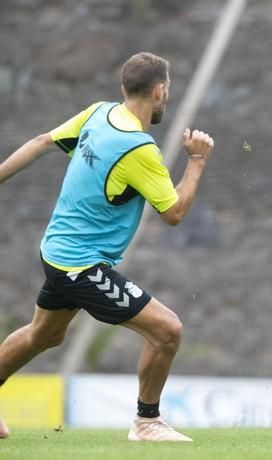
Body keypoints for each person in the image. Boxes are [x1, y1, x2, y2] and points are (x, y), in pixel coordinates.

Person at [0, 52, 214, 441]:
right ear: (160, 90)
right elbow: (175, 213)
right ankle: (146, 421)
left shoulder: (100, 113)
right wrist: (197, 161)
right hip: (80, 264)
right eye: (168, 91)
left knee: (44, 335)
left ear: (123, 88)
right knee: (167, 331)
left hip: (57, 252)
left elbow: (41, 141)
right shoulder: (138, 148)